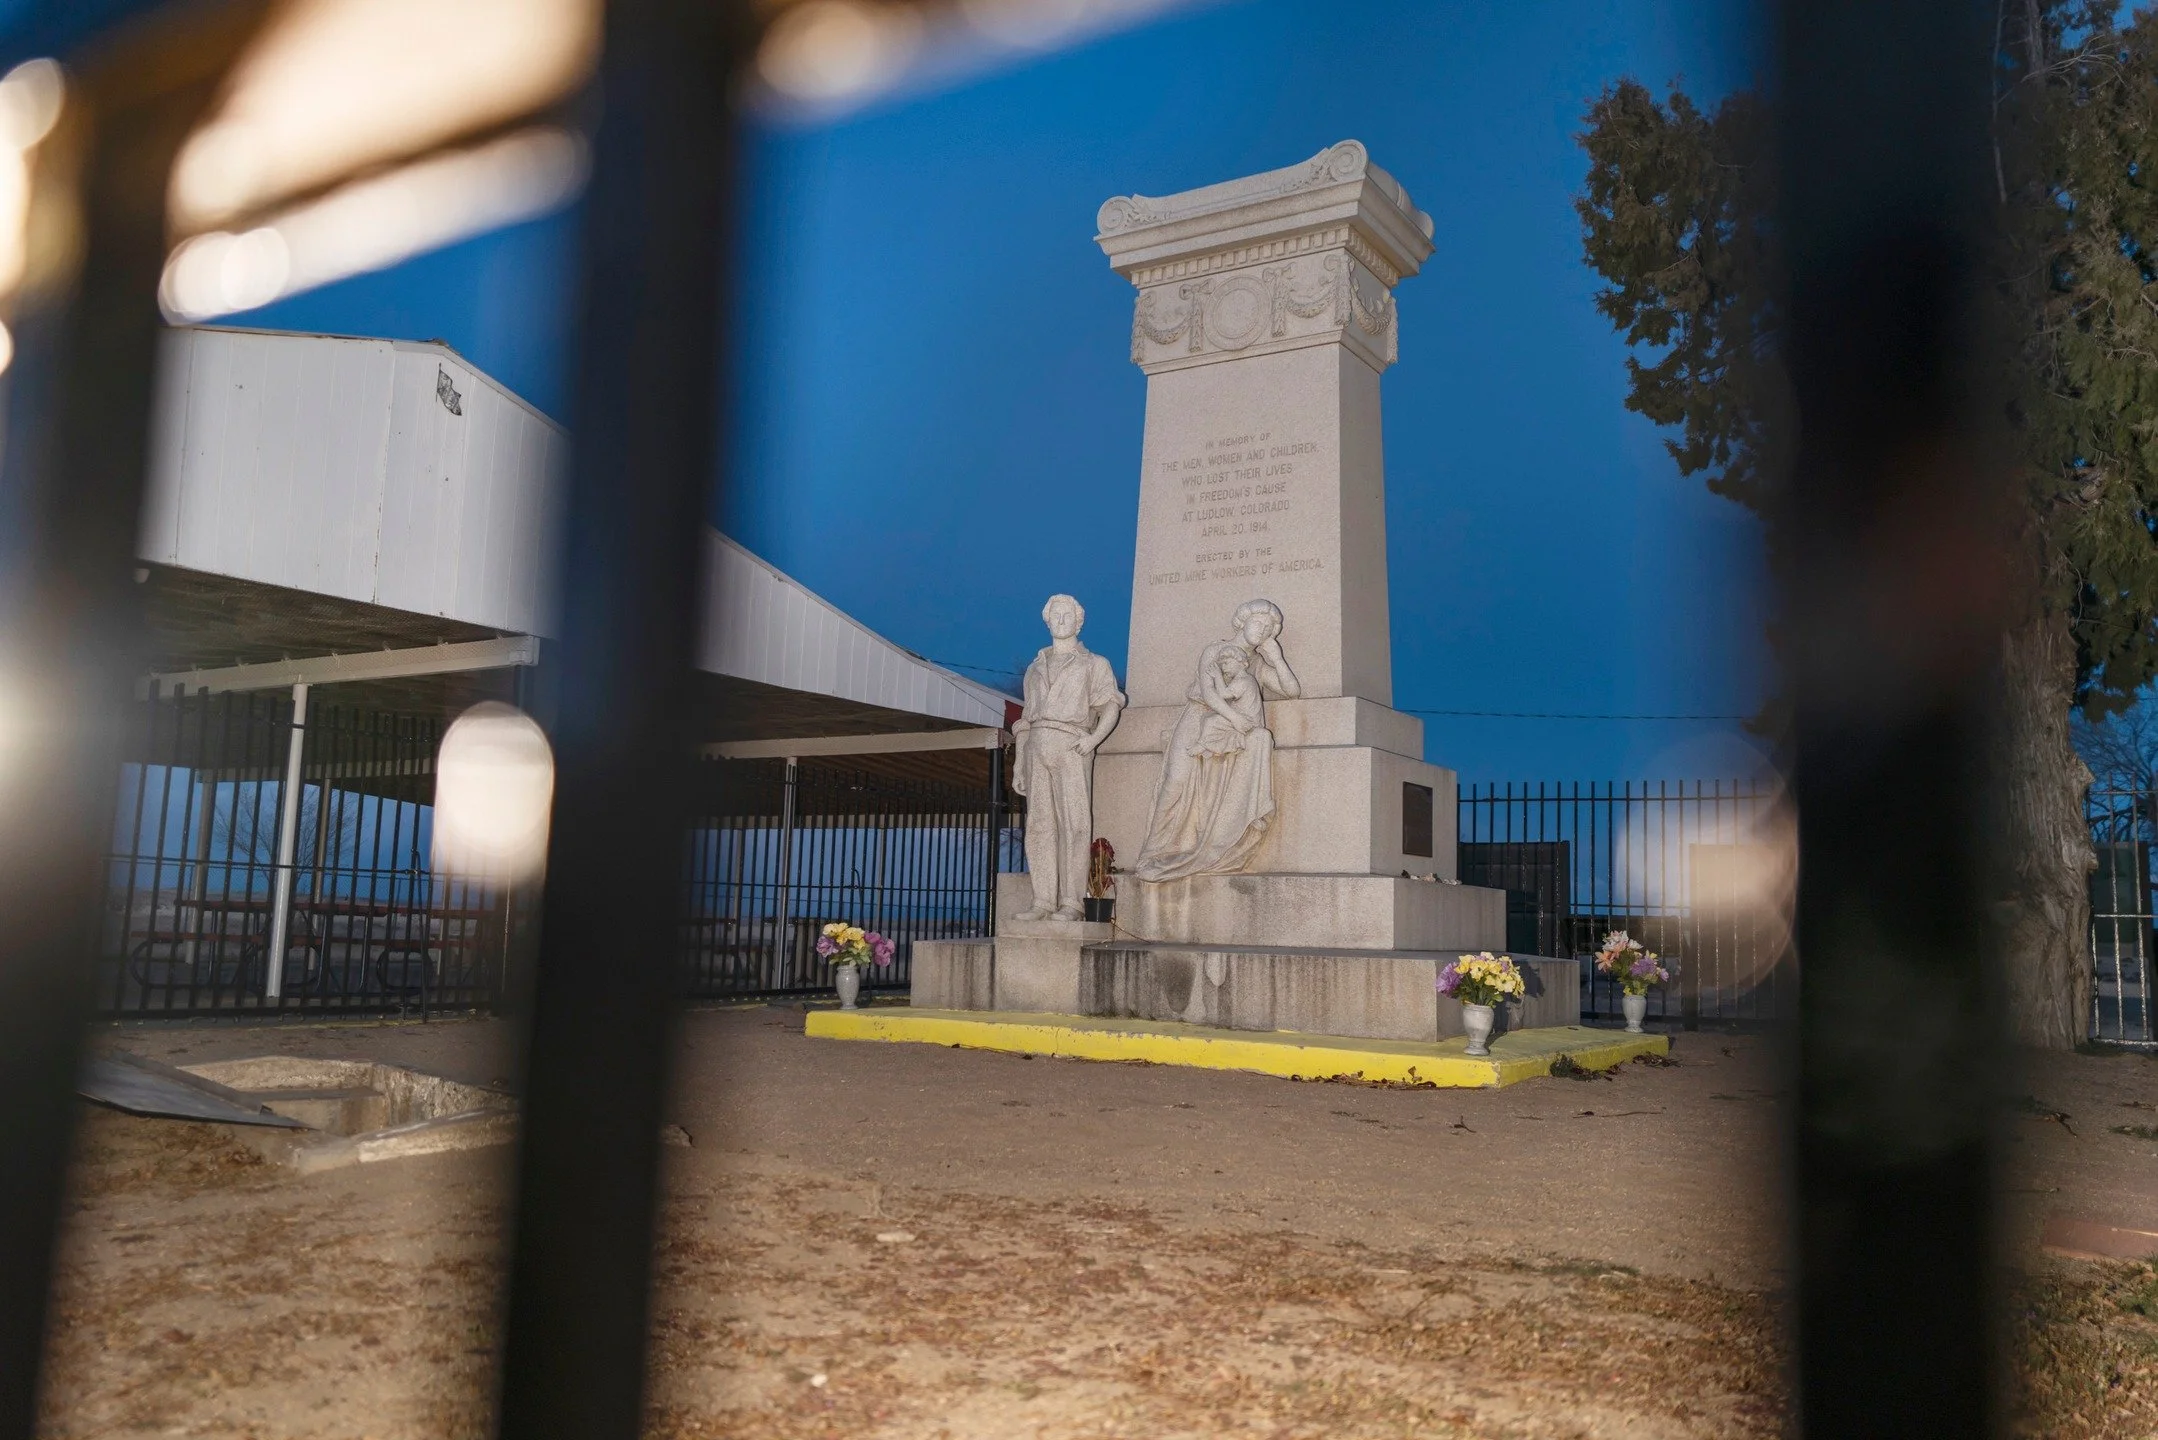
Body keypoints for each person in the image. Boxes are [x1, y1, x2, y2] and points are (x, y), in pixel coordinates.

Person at [1133, 600, 1298, 881]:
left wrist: (1277, 658)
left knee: (1207, 791)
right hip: (1199, 716)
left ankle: (1206, 845)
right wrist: (1234, 718)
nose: (1262, 630)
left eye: (1268, 628)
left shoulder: (1256, 665)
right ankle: (1153, 852)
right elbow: (1209, 694)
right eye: (1258, 623)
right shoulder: (1215, 650)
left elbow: (1291, 690)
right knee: (1176, 780)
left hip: (1232, 730)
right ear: (1241, 622)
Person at [1011, 594, 1125, 920]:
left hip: (1072, 743)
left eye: (1067, 615)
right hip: (1037, 746)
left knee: (1074, 824)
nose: (1061, 620)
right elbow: (1026, 721)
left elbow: (1110, 705)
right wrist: (1020, 763)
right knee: (1039, 826)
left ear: (1079, 621)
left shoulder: (1094, 663)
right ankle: (1043, 900)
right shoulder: (1034, 669)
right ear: (1047, 621)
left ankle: (1072, 902)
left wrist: (1093, 740)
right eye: (1055, 615)